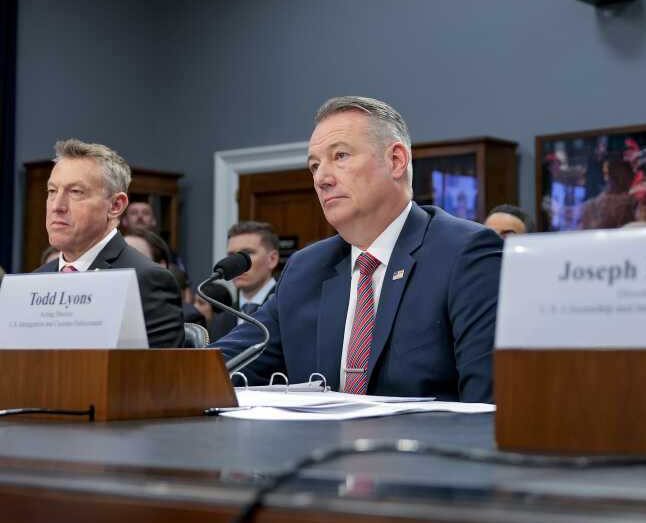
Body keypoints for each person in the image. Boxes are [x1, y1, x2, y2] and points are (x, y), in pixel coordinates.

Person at [213, 97, 502, 401]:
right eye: (314, 165)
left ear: (396, 160)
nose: (321, 179)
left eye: (340, 156)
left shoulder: (465, 253)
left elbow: (486, 407)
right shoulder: (306, 268)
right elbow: (223, 365)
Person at [34, 140, 184, 348]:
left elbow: (156, 377)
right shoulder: (35, 282)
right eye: (52, 191)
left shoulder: (146, 280)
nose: (57, 206)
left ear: (115, 206)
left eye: (75, 192)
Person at [225, 221, 280, 320]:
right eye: (231, 255)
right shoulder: (221, 320)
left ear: (272, 259)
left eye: (247, 253)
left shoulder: (288, 308)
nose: (236, 263)